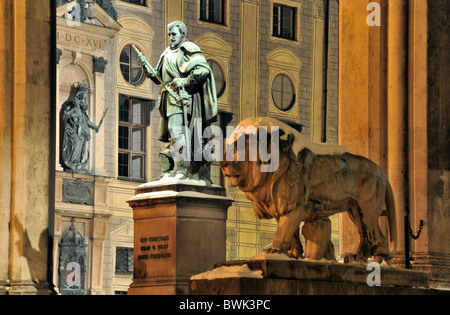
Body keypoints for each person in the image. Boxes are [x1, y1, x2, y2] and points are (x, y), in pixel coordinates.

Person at [142, 21, 218, 180]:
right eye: (169, 34)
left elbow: (203, 69)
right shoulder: (167, 52)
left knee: (176, 130)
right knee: (172, 134)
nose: (170, 37)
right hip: (168, 97)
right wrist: (146, 69)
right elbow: (158, 77)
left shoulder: (189, 48)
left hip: (183, 97)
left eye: (173, 34)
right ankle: (174, 169)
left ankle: (181, 169)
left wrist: (185, 81)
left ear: (182, 34)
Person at [61, 81, 99, 173]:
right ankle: (73, 161)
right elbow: (66, 115)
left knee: (81, 142)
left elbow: (88, 122)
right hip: (74, 131)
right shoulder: (73, 104)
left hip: (81, 133)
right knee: (77, 142)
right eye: (83, 94)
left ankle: (78, 162)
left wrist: (95, 127)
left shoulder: (83, 113)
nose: (84, 97)